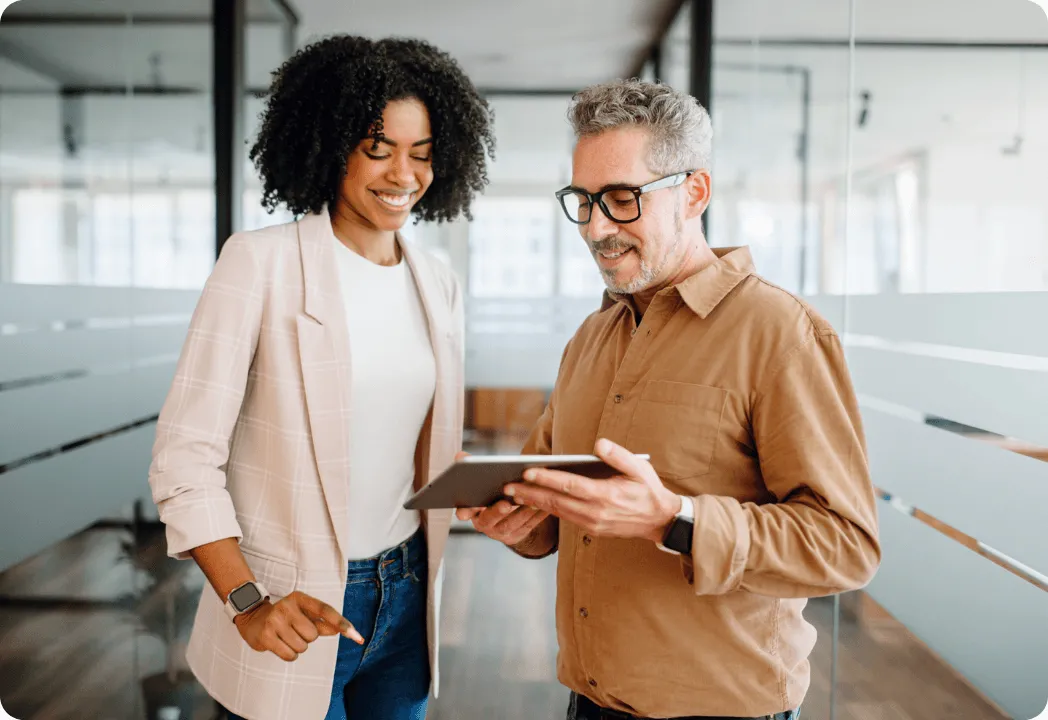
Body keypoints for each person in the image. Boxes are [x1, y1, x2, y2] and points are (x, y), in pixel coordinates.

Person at [459, 78, 880, 720]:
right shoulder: (591, 337)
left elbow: (844, 545)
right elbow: (552, 503)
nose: (597, 227)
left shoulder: (782, 333)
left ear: (694, 192)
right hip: (588, 699)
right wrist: (521, 524)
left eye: (622, 199)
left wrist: (673, 519)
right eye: (584, 200)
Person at [148, 35, 494, 720]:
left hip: (408, 589)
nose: (404, 174)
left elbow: (407, 444)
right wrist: (247, 601)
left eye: (422, 154)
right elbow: (184, 458)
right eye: (378, 148)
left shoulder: (438, 283)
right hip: (291, 605)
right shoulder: (259, 264)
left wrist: (479, 485)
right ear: (329, 143)